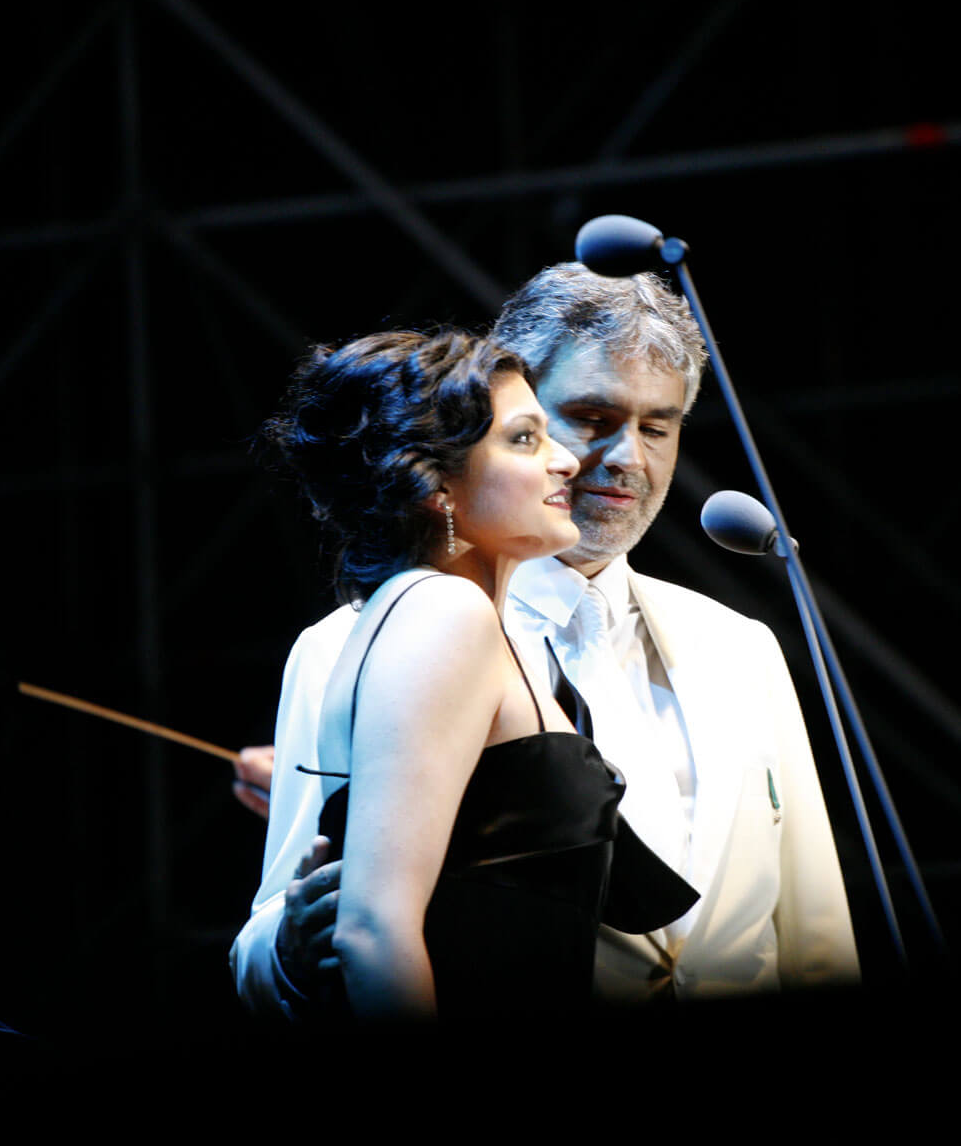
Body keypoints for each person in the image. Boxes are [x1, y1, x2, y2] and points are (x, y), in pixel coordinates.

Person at [232, 265, 859, 1014]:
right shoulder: (359, 641)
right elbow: (300, 931)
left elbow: (819, 935)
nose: (624, 457)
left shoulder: (740, 646)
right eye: (588, 418)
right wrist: (294, 950)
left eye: (657, 427)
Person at [254, 326, 692, 1020]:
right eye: (524, 440)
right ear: (436, 486)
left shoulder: (445, 617)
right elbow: (373, 930)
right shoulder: (442, 611)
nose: (566, 463)